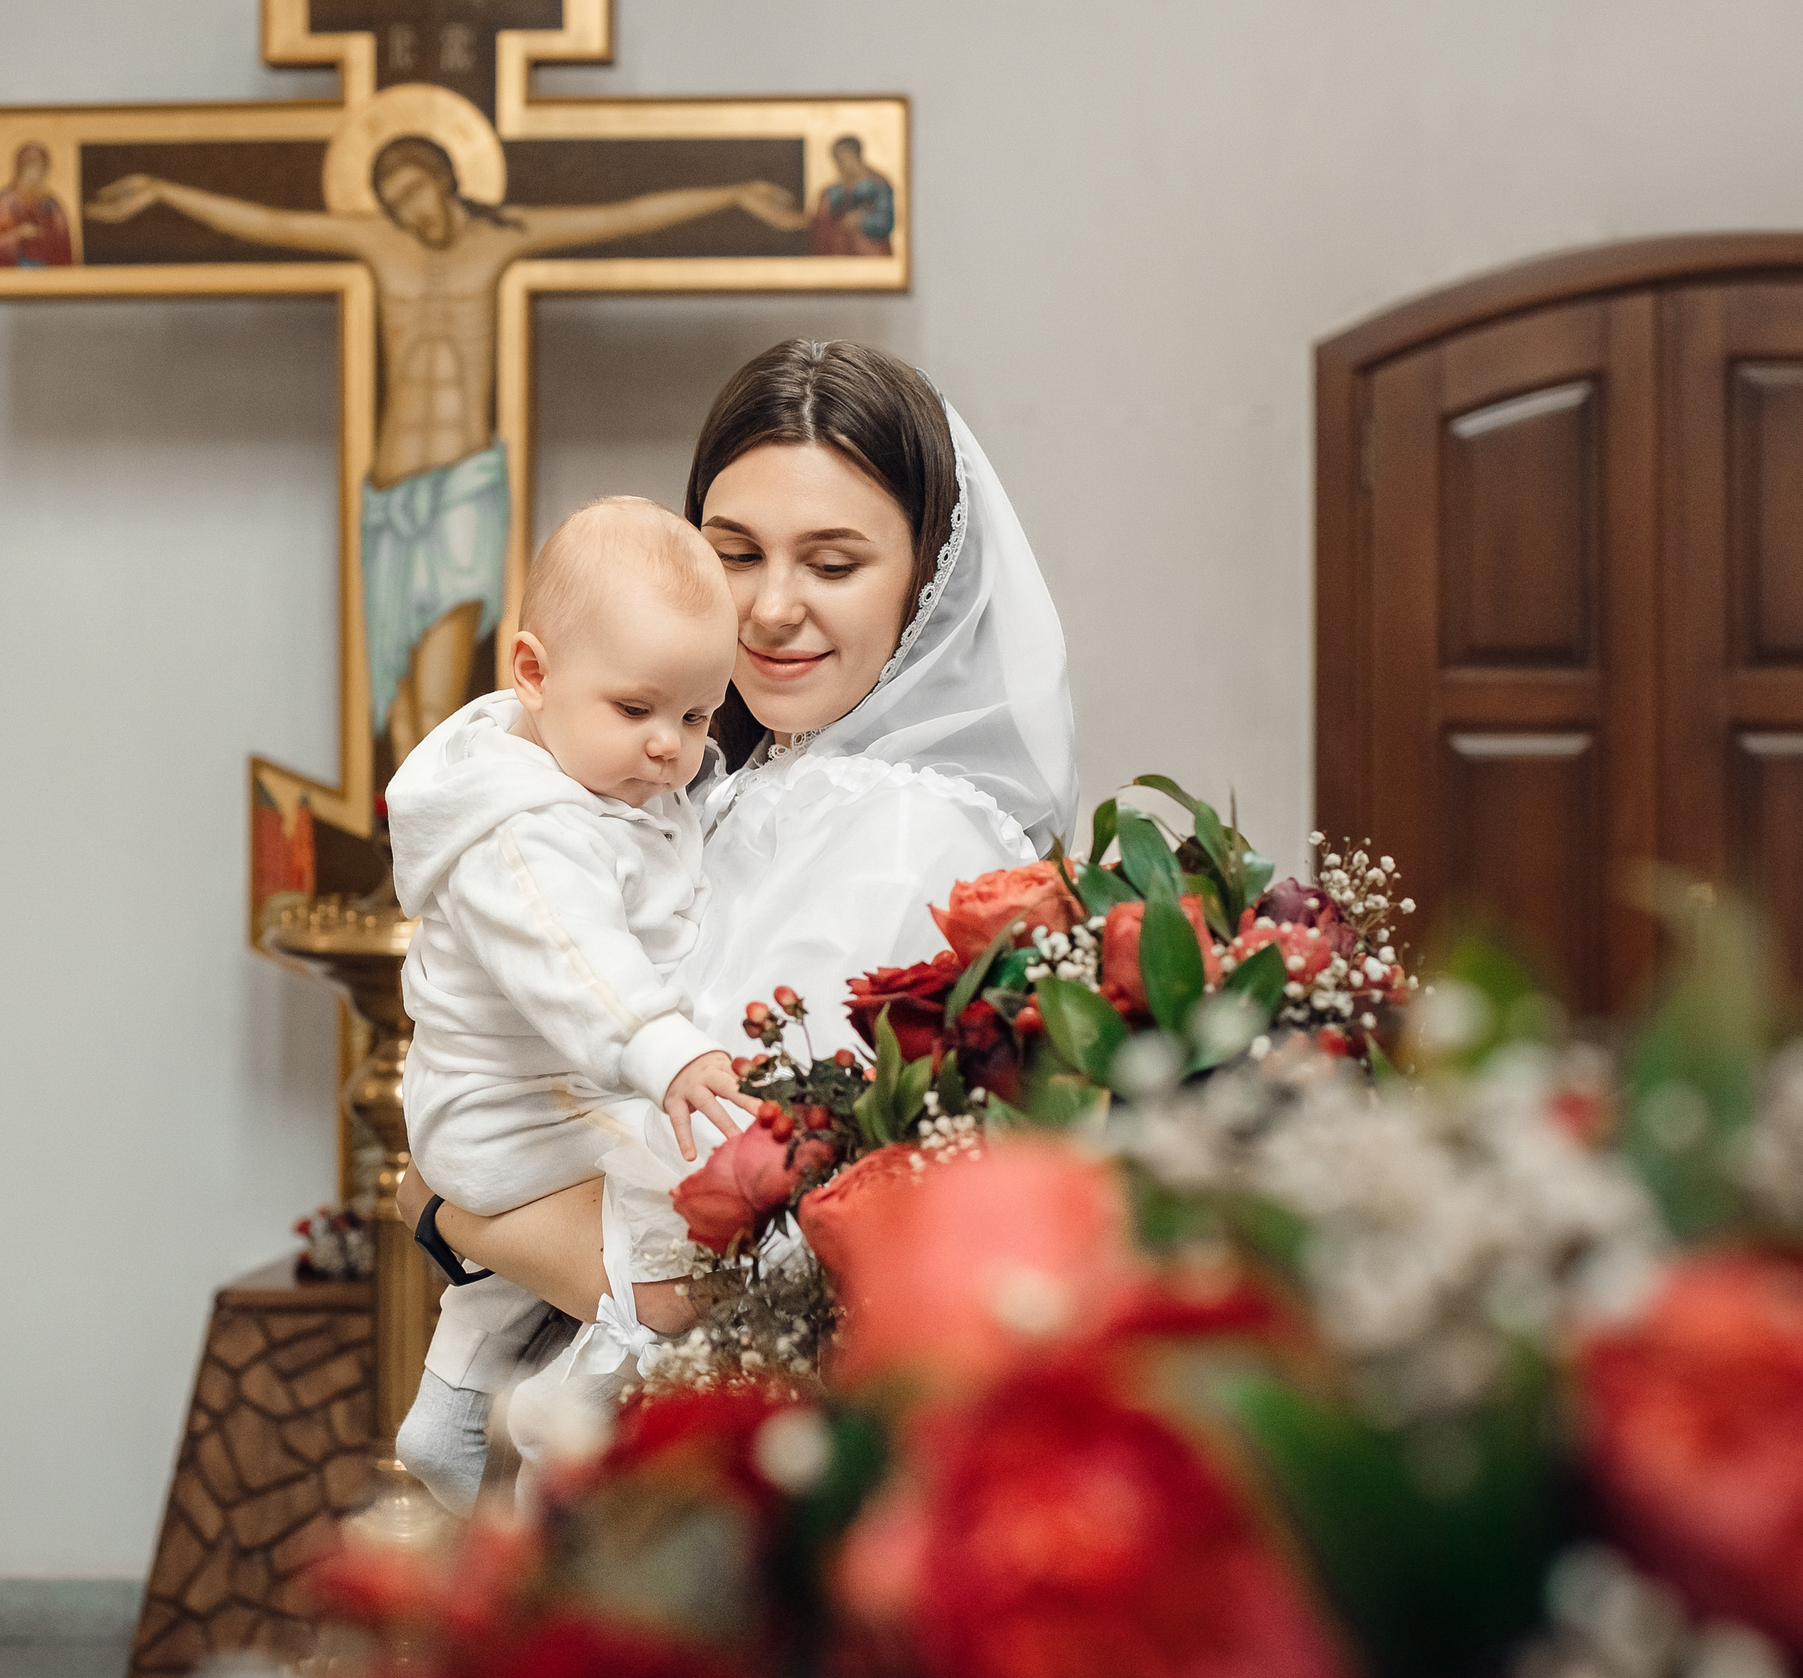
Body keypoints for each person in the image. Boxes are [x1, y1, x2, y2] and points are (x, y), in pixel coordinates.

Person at [394, 338, 1077, 1505]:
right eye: (734, 552)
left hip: (747, 1461)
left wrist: (446, 1203)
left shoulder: (900, 831)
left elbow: (735, 1257)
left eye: (833, 561)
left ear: (925, 578)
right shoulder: (713, 776)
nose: (770, 607)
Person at [87, 138, 808, 777]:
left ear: (444, 180)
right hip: (392, 488)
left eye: (415, 191)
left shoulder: (497, 240)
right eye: (391, 200)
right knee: (394, 682)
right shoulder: (379, 244)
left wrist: (734, 193)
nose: (408, 210)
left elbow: (620, 216)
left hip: (465, 483)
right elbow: (272, 223)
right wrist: (162, 191)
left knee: (441, 670)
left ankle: (452, 824)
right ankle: (415, 842)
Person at [384, 498, 759, 1509]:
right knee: (672, 1211)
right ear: (534, 673)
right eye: (638, 711)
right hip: (505, 1106)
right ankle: (540, 1425)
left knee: (608, 1214)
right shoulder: (526, 831)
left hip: (540, 1095)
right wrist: (664, 1046)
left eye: (695, 715)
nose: (668, 749)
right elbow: (577, 958)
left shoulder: (598, 777)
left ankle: (450, 1406)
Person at [0, 141, 74, 268]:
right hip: (14, 275)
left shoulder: (52, 205)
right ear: (20, 171)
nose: (35, 175)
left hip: (48, 275)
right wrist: (19, 234)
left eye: (40, 169)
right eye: (30, 168)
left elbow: (63, 245)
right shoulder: (6, 203)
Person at [808, 136, 894, 257]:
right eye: (837, 161)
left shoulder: (878, 186)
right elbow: (821, 225)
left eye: (842, 160)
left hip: (872, 254)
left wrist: (861, 220)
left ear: (853, 156)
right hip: (842, 256)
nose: (839, 166)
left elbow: (885, 222)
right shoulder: (833, 191)